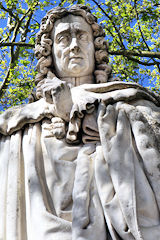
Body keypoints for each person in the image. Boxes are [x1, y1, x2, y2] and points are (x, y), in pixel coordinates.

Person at [0, 5, 160, 240]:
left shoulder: (130, 101)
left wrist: (89, 118)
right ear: (50, 52)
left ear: (96, 49)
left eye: (81, 36)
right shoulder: (16, 123)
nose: (74, 45)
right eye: (64, 38)